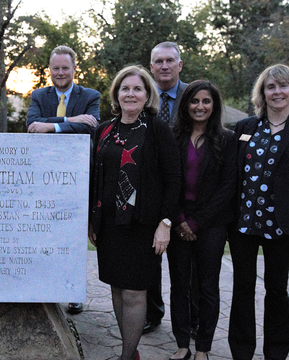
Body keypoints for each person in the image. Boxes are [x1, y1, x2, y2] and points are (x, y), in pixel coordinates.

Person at [89, 65, 180, 360]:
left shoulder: (158, 129)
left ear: (147, 95)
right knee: (117, 288)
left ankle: (127, 355)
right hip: (110, 225)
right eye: (125, 88)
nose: (130, 94)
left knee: (134, 292)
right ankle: (131, 351)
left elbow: (173, 178)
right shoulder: (104, 129)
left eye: (137, 89)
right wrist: (93, 219)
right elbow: (95, 177)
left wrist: (165, 223)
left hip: (143, 225)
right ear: (117, 94)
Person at [26, 45, 100, 314]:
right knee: (43, 234)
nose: (60, 73)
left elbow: (91, 125)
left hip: (77, 177)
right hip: (43, 178)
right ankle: (44, 286)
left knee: (74, 237)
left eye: (65, 68)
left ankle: (73, 292)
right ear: (50, 70)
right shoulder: (38, 95)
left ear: (74, 69)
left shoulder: (91, 96)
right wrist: (70, 119)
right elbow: (32, 125)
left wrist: (52, 125)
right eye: (55, 68)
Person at [167, 80, 237, 360]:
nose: (200, 106)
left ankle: (203, 348)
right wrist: (181, 219)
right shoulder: (173, 137)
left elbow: (228, 186)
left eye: (206, 101)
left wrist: (197, 223)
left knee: (208, 287)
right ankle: (182, 344)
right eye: (195, 101)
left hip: (212, 225)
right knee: (179, 284)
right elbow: (168, 181)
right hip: (178, 220)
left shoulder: (227, 139)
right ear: (186, 105)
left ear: (214, 105)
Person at [228, 64, 289, 360]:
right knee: (242, 289)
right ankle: (241, 351)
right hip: (243, 222)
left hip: (281, 226)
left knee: (277, 291)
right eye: (271, 87)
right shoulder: (246, 127)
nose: (277, 92)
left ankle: (276, 352)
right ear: (262, 93)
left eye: (283, 86)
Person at [146, 41, 199, 336]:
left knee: (186, 267)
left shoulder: (194, 97)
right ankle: (153, 313)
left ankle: (191, 320)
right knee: (149, 262)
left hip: (188, 193)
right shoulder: (142, 95)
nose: (164, 66)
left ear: (180, 65)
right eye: (158, 62)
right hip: (151, 193)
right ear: (151, 67)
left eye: (170, 61)